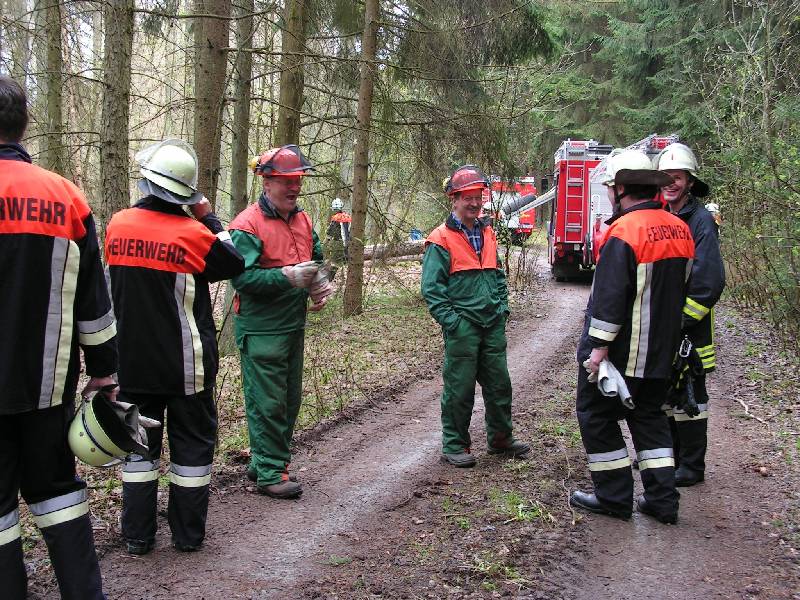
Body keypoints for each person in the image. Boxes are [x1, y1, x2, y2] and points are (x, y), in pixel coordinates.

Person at [0, 75, 118, 600]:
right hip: (48, 387)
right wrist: (105, 371)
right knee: (58, 494)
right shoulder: (66, 197)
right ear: (23, 124)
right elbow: (94, 302)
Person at [105, 139, 244, 555]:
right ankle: (188, 536)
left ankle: (137, 536)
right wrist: (209, 216)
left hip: (132, 363)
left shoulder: (117, 225)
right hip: (187, 365)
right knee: (192, 449)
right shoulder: (195, 234)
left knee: (138, 449)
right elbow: (234, 261)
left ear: (147, 183)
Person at [571, 149, 694, 524]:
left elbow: (609, 300)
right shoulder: (680, 229)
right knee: (650, 418)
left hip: (624, 353)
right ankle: (663, 501)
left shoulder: (624, 232)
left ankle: (614, 496)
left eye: (610, 187)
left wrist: (598, 350)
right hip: (661, 353)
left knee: (595, 415)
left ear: (621, 188)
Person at [229, 144, 332, 499]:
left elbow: (315, 256)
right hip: (261, 328)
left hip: (292, 325)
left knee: (288, 401)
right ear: (267, 182)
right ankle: (272, 472)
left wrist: (318, 284)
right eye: (287, 181)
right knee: (268, 403)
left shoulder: (302, 219)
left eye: (298, 180)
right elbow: (241, 278)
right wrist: (287, 277)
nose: (294, 187)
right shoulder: (247, 225)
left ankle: (264, 462)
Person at [421, 165, 530, 468]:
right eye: (467, 197)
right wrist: (453, 323)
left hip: (492, 322)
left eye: (477, 197)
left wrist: (502, 308)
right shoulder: (440, 239)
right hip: (463, 326)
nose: (473, 203)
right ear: (454, 199)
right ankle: (455, 445)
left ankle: (501, 439)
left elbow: (498, 275)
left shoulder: (487, 231)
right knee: (460, 388)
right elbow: (432, 289)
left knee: (499, 385)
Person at [656, 143, 725, 487]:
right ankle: (672, 458)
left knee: (692, 396)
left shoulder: (701, 222)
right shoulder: (663, 216)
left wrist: (682, 321)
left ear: (690, 182)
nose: (671, 183)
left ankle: (692, 466)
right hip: (667, 327)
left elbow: (709, 281)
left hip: (690, 330)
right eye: (665, 177)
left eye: (678, 177)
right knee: (668, 393)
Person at [326, 197, 351, 263]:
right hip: (348, 242)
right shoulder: (347, 217)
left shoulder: (336, 218)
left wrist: (328, 238)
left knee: (336, 260)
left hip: (338, 243)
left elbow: (330, 231)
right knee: (345, 260)